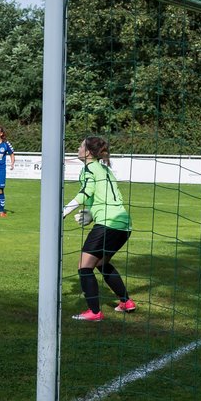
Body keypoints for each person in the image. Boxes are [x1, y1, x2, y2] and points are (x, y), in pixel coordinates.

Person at [62, 136, 136, 321]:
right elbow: (105, 196)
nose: (77, 148)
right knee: (101, 263)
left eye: (80, 146)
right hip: (124, 224)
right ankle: (126, 302)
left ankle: (94, 312)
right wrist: (90, 213)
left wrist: (63, 211)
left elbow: (86, 192)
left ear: (87, 152)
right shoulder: (104, 168)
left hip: (108, 224)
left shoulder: (89, 168)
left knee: (84, 266)